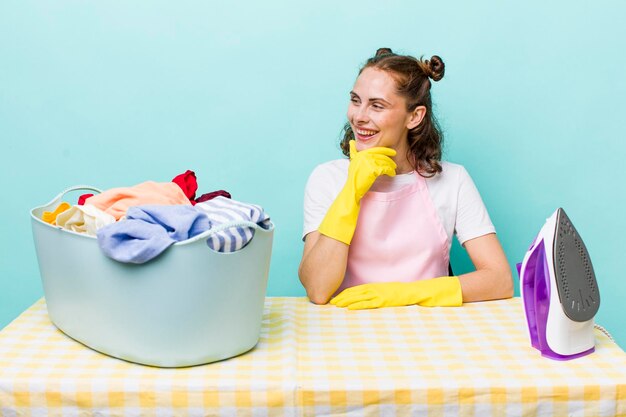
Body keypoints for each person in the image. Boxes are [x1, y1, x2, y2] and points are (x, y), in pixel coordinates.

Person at [298, 48, 513, 309]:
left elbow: (499, 280)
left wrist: (404, 294)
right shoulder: (328, 178)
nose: (359, 116)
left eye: (377, 106)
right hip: (348, 334)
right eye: (356, 100)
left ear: (414, 116)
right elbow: (317, 289)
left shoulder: (453, 180)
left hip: (429, 331)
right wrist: (351, 192)